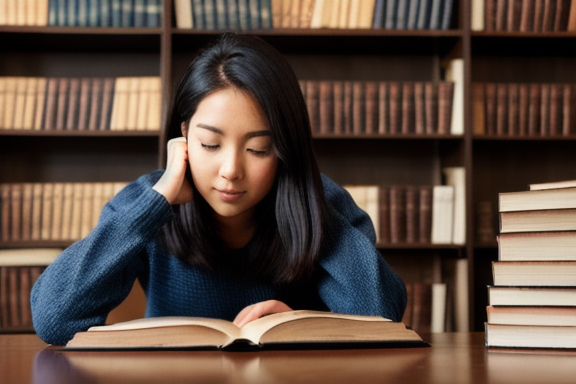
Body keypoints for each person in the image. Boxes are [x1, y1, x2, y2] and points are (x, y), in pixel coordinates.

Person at [31, 32, 407, 346]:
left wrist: (302, 322)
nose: (230, 171)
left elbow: (383, 319)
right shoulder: (145, 204)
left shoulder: (328, 205)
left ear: (284, 150)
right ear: (183, 138)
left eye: (258, 149)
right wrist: (155, 203)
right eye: (210, 145)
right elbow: (53, 319)